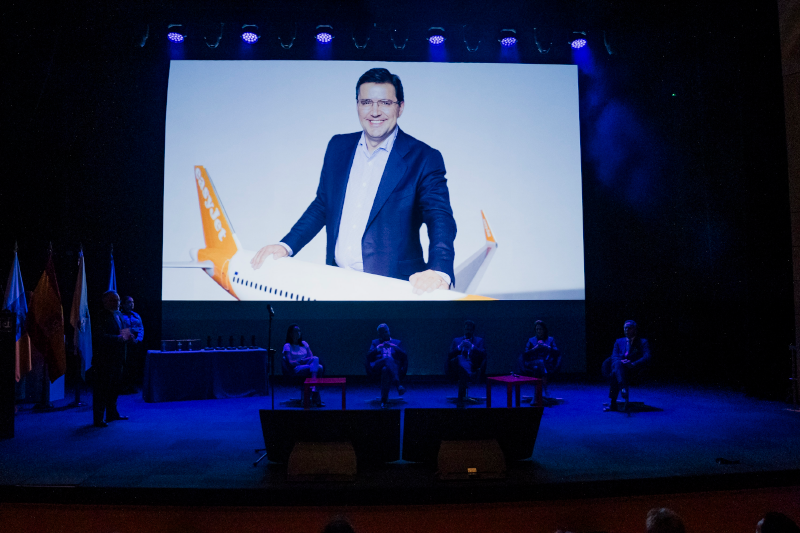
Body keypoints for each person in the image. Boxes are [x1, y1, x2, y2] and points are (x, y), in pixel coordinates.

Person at [250, 67, 457, 295]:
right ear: (357, 105)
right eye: (366, 102)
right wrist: (286, 245)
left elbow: (440, 218)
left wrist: (439, 270)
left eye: (385, 103)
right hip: (336, 281)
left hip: (393, 288)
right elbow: (322, 205)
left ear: (400, 107)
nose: (375, 111)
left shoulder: (424, 157)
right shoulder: (338, 147)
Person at [92, 290, 131, 427]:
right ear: (105, 302)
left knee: (114, 388)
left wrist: (128, 336)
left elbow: (123, 333)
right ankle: (98, 419)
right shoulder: (100, 316)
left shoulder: (119, 315)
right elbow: (99, 337)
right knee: (102, 390)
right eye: (113, 300)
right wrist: (118, 338)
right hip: (104, 360)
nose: (117, 303)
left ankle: (112, 414)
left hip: (118, 359)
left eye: (118, 300)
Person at [603, 320, 651, 412]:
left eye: (629, 328)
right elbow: (614, 356)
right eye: (625, 328)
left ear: (635, 329)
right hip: (620, 368)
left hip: (634, 370)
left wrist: (633, 363)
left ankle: (613, 403)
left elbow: (647, 356)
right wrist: (622, 361)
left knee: (615, 373)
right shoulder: (618, 341)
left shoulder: (642, 342)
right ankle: (622, 387)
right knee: (617, 365)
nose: (626, 330)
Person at [447, 320, 487, 408]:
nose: (468, 332)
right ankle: (467, 375)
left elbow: (483, 355)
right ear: (464, 329)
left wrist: (472, 347)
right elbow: (449, 356)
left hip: (472, 366)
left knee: (462, 369)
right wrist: (459, 347)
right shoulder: (456, 340)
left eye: (470, 330)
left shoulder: (479, 341)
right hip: (456, 368)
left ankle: (461, 398)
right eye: (466, 329)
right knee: (459, 358)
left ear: (473, 331)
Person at [366, 323, 407, 408]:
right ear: (379, 334)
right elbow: (368, 356)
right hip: (378, 366)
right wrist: (379, 347)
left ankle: (384, 401)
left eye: (386, 331)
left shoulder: (397, 342)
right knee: (387, 359)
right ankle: (398, 385)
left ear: (389, 331)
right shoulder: (375, 342)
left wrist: (395, 347)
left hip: (393, 368)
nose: (385, 334)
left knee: (385, 370)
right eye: (382, 332)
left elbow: (404, 356)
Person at [282, 324, 324, 407]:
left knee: (317, 361)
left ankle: (313, 386)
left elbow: (311, 357)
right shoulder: (287, 346)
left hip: (307, 365)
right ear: (290, 334)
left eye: (299, 331)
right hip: (296, 368)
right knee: (318, 367)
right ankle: (315, 392)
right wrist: (302, 361)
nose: (298, 333)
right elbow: (290, 362)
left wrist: (304, 361)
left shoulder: (304, 344)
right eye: (296, 331)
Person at [518, 320, 561, 396]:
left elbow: (556, 352)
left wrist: (546, 346)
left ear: (544, 330)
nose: (538, 331)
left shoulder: (550, 339)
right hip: (532, 362)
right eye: (537, 329)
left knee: (541, 365)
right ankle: (545, 389)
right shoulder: (531, 340)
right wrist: (535, 348)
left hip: (547, 362)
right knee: (540, 363)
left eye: (540, 329)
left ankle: (537, 392)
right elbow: (525, 354)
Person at [119, 295, 144, 393]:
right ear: (123, 304)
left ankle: (131, 385)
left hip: (135, 344)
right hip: (125, 344)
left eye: (132, 302)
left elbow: (141, 328)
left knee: (134, 365)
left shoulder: (136, 315)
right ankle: (123, 386)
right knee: (125, 365)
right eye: (129, 302)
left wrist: (137, 339)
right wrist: (128, 337)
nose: (132, 304)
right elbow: (120, 328)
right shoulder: (120, 315)